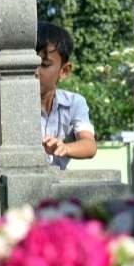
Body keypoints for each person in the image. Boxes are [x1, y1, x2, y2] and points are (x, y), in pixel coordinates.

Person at [36, 22, 96, 169]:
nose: (35, 72)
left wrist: (65, 148)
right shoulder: (13, 105)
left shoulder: (75, 103)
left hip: (59, 186)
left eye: (44, 64)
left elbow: (89, 145)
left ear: (64, 71)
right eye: (29, 64)